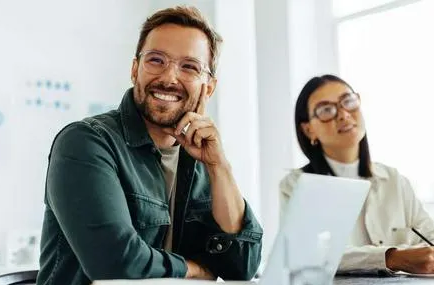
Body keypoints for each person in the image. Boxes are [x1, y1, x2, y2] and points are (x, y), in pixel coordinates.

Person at [37, 6, 263, 285]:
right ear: (135, 70)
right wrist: (195, 270)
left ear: (209, 87)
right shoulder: (85, 143)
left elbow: (243, 266)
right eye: (156, 60)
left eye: (189, 67)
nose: (169, 78)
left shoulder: (201, 159)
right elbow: (115, 263)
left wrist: (219, 167)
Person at [280, 74, 434, 274]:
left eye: (348, 101)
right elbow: (306, 254)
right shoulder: (296, 185)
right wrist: (391, 258)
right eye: (327, 109)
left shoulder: (394, 180)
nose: (343, 114)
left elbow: (428, 236)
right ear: (309, 129)